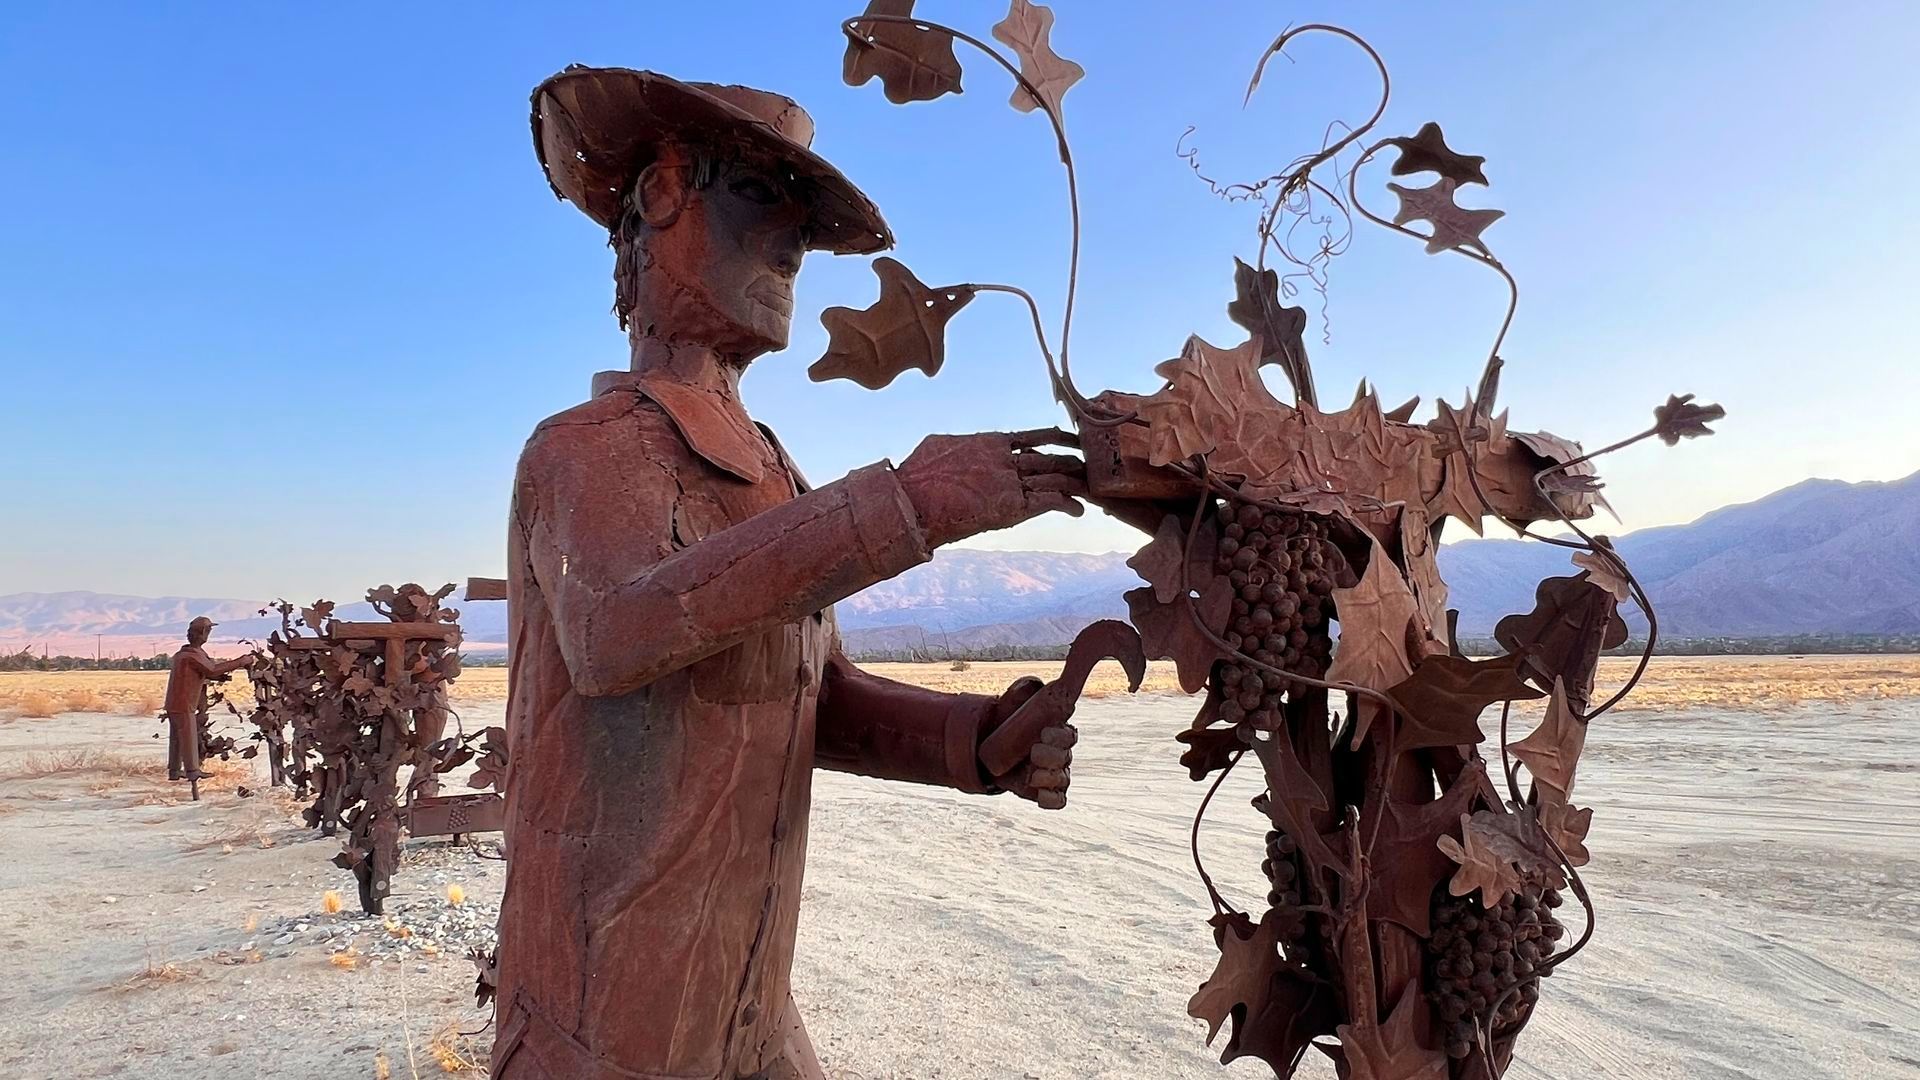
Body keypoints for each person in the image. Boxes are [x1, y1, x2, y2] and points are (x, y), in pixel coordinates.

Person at [493, 68, 1090, 1079]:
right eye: (761, 197)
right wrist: (905, 507)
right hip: (606, 1026)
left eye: (805, 227)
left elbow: (817, 696)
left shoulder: (776, 475)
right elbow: (617, 635)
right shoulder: (585, 450)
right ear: (662, 195)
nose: (792, 247)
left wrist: (971, 739)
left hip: (748, 1003)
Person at [161, 616, 251, 782]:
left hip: (175, 702)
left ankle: (174, 770)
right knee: (188, 735)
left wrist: (220, 674)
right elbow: (211, 670)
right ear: (202, 633)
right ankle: (192, 770)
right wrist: (240, 662)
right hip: (184, 702)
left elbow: (205, 672)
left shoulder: (184, 654)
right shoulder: (191, 656)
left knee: (176, 737)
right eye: (208, 631)